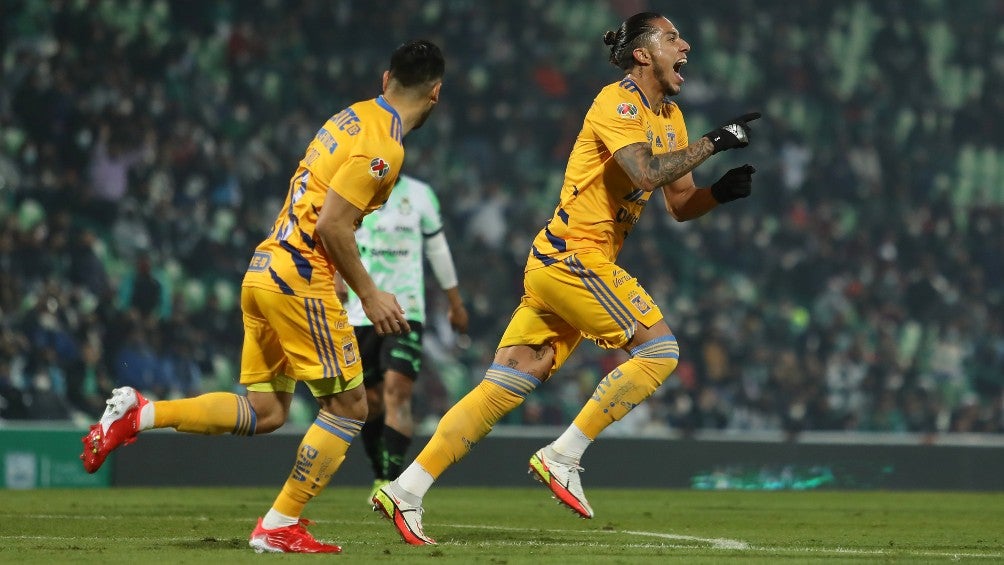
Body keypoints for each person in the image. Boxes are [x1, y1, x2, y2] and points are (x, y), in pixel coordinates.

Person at [372, 12, 760, 545]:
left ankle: (406, 489)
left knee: (502, 386)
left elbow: (677, 202)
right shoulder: (617, 102)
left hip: (563, 263)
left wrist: (718, 193)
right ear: (643, 53)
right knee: (660, 352)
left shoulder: (669, 115)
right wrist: (717, 140)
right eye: (673, 37)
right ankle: (564, 454)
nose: (686, 45)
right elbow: (645, 172)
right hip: (576, 257)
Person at [79, 39, 446, 554]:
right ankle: (279, 523)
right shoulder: (386, 147)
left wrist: (341, 272)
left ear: (385, 81)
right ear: (436, 93)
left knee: (266, 411)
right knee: (349, 406)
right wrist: (371, 292)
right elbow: (333, 222)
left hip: (266, 269)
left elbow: (324, 203)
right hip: (300, 278)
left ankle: (141, 414)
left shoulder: (350, 117)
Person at [335, 174, 469, 503]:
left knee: (397, 393)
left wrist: (455, 302)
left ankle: (393, 484)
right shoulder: (354, 189)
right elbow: (336, 236)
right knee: (369, 403)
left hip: (406, 311)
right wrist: (336, 275)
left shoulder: (421, 195)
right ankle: (380, 475)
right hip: (360, 311)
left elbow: (438, 249)